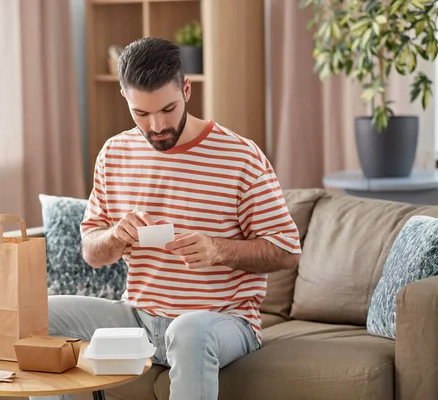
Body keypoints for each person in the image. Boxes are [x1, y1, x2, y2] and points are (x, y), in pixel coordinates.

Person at [35, 37, 301, 400]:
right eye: (141, 114)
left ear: (187, 90)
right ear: (125, 100)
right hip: (138, 318)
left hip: (220, 322)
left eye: (168, 109)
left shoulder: (241, 157)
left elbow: (286, 251)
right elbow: (91, 252)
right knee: (37, 315)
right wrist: (114, 236)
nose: (157, 126)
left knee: (188, 331)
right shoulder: (114, 154)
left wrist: (218, 250)